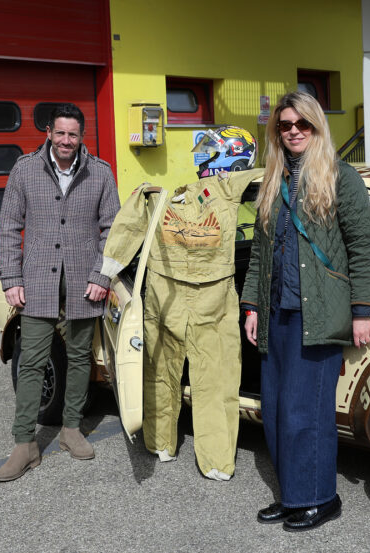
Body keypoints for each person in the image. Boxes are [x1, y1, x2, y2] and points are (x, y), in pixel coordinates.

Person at [240, 91, 370, 531]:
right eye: (285, 125)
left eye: (303, 124)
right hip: (276, 311)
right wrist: (251, 306)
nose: (294, 131)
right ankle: (293, 494)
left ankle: (320, 498)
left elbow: (362, 248)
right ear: (276, 131)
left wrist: (362, 311)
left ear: (317, 127)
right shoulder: (273, 180)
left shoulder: (342, 178)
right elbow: (261, 252)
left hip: (316, 313)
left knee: (307, 412)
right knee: (277, 410)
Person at [100, 128, 260, 480]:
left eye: (206, 150)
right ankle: (216, 463)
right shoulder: (235, 190)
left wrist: (108, 272)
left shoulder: (156, 197)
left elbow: (125, 233)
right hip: (212, 300)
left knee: (160, 373)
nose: (200, 156)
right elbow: (267, 175)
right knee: (216, 382)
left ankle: (160, 444)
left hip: (165, 296)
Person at [0, 103, 120, 482]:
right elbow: (8, 227)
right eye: (60, 133)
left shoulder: (99, 173)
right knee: (32, 360)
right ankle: (24, 445)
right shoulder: (25, 169)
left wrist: (103, 276)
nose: (67, 140)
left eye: (74, 134)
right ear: (49, 132)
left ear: (82, 137)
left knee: (81, 358)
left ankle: (70, 430)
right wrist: (11, 279)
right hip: (37, 283)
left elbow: (113, 229)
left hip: (85, 283)